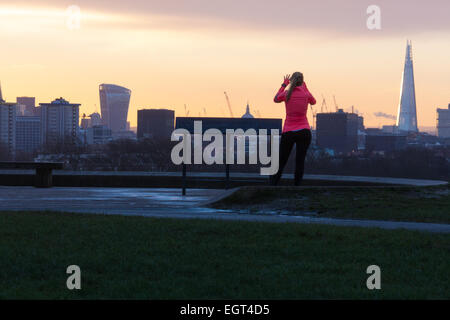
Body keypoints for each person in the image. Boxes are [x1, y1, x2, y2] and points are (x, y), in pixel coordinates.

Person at [270, 72, 316, 186]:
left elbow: (275, 99)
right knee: (300, 161)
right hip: (304, 131)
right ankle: (297, 185)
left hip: (289, 131)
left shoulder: (286, 94)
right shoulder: (305, 94)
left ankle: (273, 184)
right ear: (302, 81)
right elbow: (313, 101)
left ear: (291, 81)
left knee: (282, 160)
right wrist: (305, 87)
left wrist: (284, 85)